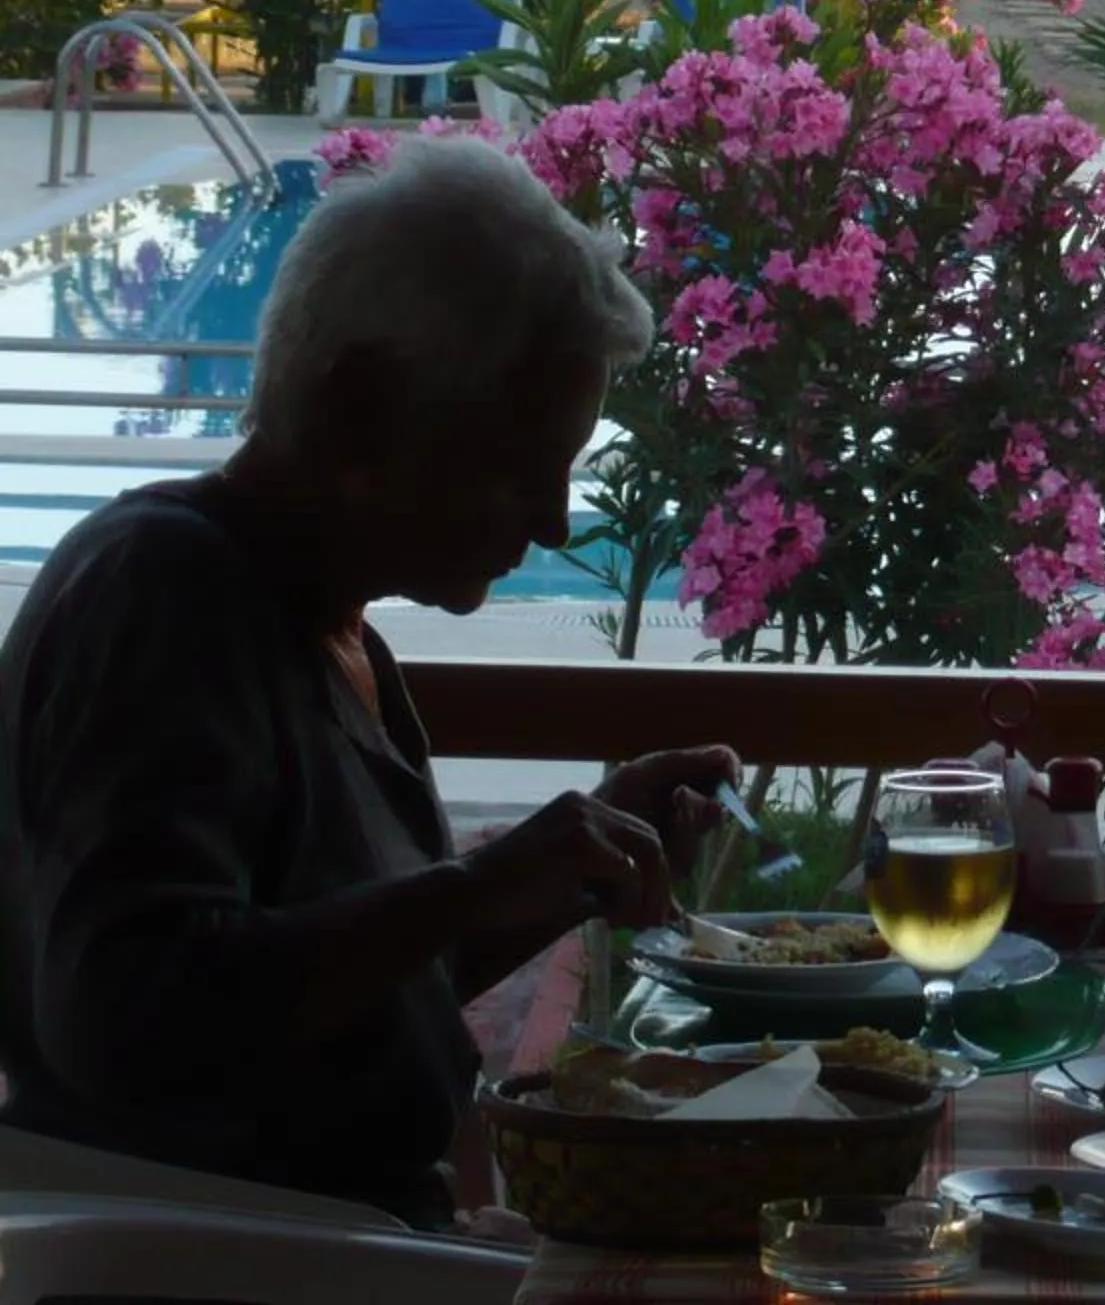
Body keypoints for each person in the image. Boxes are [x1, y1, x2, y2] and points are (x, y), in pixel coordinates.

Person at [0, 136, 740, 1234]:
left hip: (353, 1248)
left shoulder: (327, 626)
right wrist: (482, 886)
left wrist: (560, 871)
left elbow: (355, 987)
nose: (548, 518)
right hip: (237, 1269)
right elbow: (128, 1012)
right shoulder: (160, 597)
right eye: (520, 460)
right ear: (357, 409)